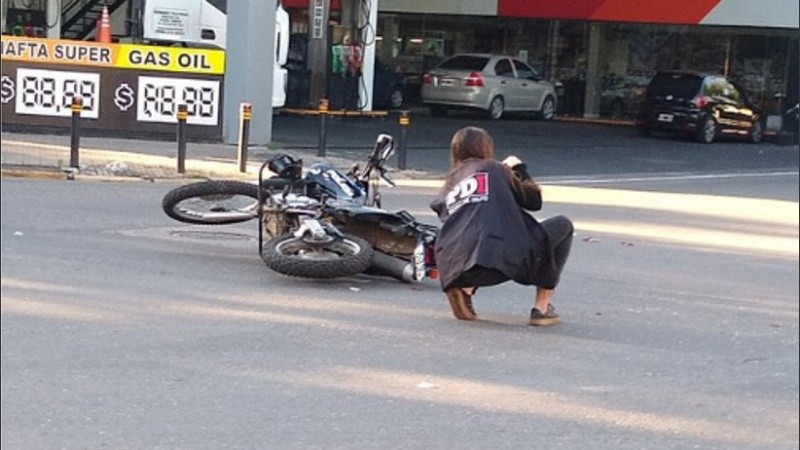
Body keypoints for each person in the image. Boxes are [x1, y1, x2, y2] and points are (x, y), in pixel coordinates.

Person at [430, 126, 574, 326]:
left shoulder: (450, 184)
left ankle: (465, 288)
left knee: (476, 233)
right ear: (485, 148)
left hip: (452, 264)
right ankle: (542, 308)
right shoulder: (494, 168)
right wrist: (517, 168)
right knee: (563, 225)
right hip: (497, 259)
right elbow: (534, 201)